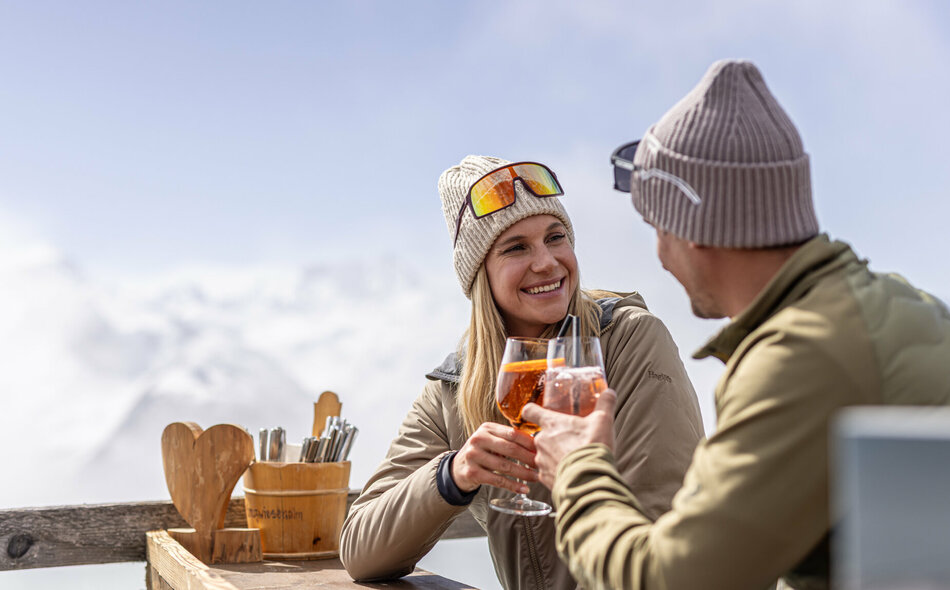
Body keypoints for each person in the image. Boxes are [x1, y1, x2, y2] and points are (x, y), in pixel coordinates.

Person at [522, 59, 950, 590]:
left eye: (657, 228)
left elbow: (673, 581)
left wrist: (576, 466)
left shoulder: (799, 356)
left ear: (695, 228)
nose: (658, 257)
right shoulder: (902, 305)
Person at [340, 155, 705, 589]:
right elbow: (359, 550)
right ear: (480, 274)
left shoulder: (628, 342)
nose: (547, 262)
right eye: (516, 247)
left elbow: (672, 543)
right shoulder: (454, 388)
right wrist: (453, 475)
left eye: (556, 237)